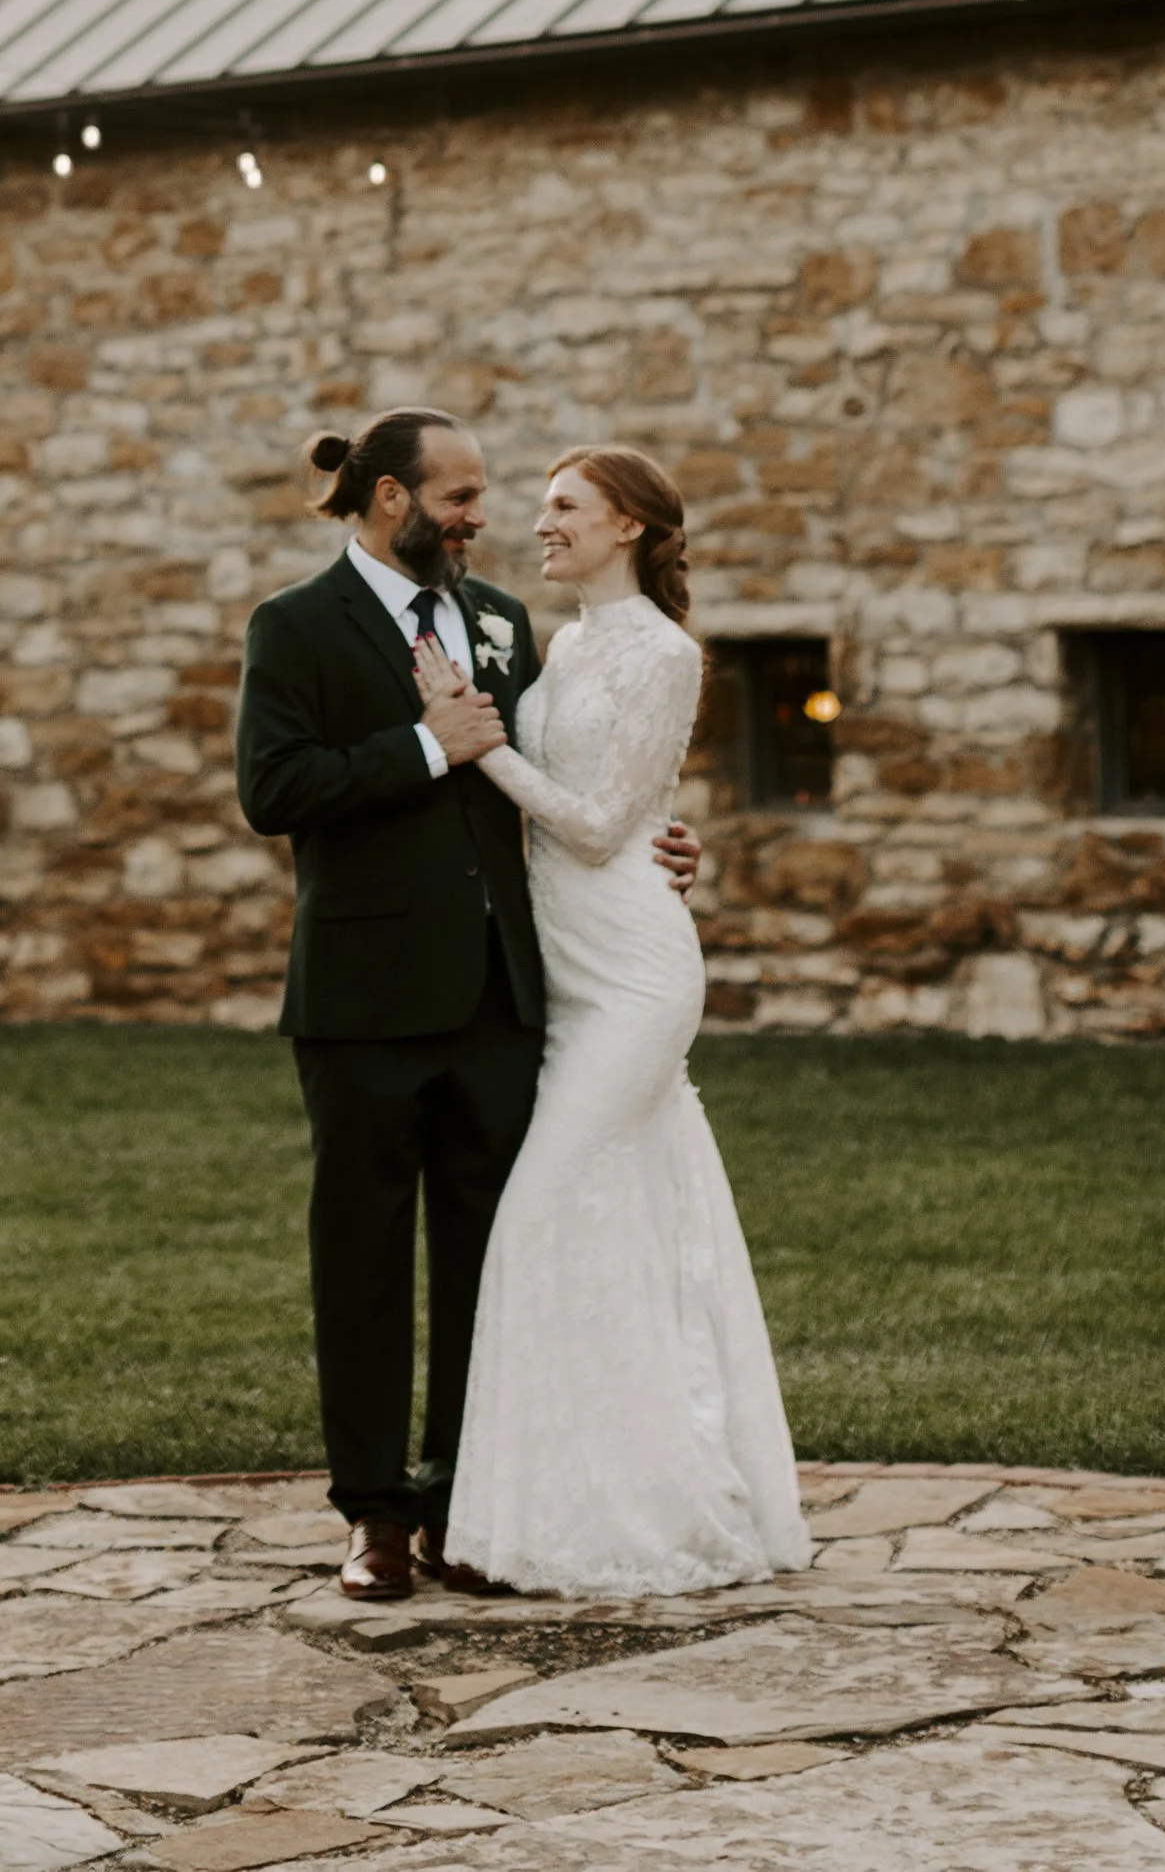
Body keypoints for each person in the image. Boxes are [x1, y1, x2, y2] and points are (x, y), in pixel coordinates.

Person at [235, 407, 701, 1601]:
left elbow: (562, 780)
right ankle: (372, 1514)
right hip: (362, 999)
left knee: (487, 1257)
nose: (477, 518)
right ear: (391, 498)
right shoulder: (295, 624)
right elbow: (273, 790)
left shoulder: (499, 618)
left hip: (503, 993)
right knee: (362, 1259)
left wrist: (659, 839)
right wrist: (425, 745)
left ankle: (464, 1499)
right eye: (458, 497)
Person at [424, 445, 811, 1599]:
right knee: (613, 1228)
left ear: (629, 526)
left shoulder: (664, 652)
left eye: (565, 508)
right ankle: (576, 1507)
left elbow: (597, 828)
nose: (540, 524)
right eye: (542, 507)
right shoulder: (568, 645)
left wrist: (479, 745)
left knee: (538, 1217)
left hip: (635, 976)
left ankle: (633, 1515)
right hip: (564, 974)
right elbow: (630, 802)